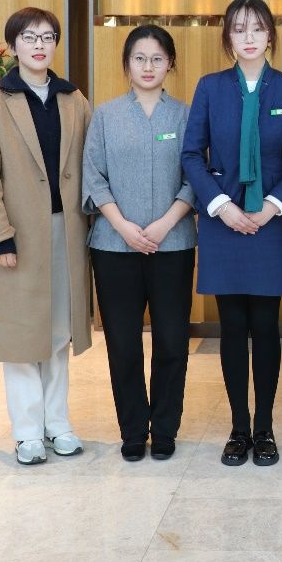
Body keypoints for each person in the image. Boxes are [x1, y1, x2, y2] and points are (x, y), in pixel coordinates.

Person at [182, 0, 282, 468]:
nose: (249, 37)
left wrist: (273, 206)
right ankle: (238, 428)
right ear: (228, 38)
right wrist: (220, 206)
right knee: (232, 327)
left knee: (266, 326)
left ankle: (265, 428)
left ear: (270, 36)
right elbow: (192, 154)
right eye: (239, 29)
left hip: (270, 222)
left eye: (257, 28)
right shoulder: (210, 88)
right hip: (223, 222)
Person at [0, 7, 92, 465]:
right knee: (22, 335)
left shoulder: (74, 100)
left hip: (66, 231)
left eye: (47, 36)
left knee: (58, 332)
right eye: (29, 37)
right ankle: (27, 432)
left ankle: (57, 423)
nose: (39, 45)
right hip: (18, 235)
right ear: (13, 45)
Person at [83, 25, 196, 462]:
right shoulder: (106, 116)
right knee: (123, 343)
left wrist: (166, 223)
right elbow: (94, 176)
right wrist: (123, 226)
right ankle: (132, 430)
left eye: (157, 59)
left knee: (172, 340)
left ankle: (165, 429)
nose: (148, 67)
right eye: (139, 58)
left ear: (170, 64)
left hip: (173, 244)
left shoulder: (185, 116)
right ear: (127, 64)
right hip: (114, 247)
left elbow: (196, 176)